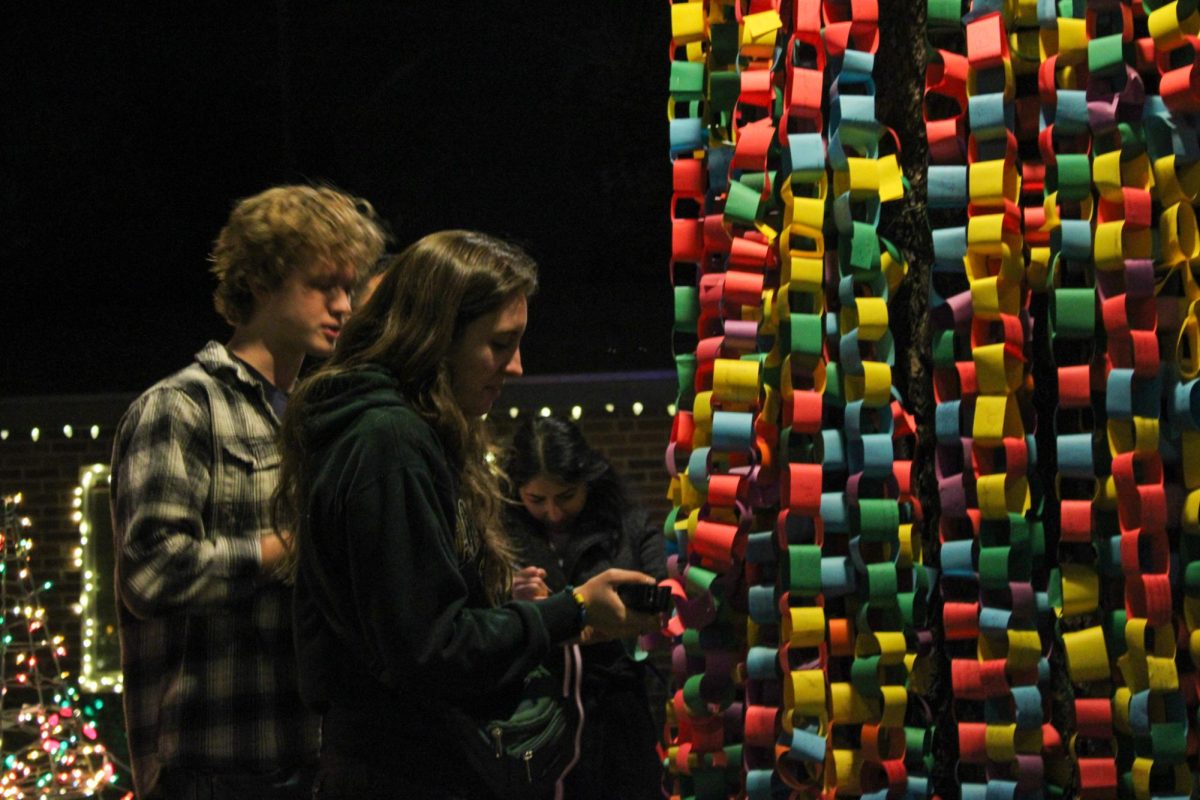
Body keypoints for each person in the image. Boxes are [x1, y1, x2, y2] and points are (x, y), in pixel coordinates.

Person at [273, 229, 661, 799]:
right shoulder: (390, 441)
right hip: (405, 774)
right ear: (438, 337)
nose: (518, 367)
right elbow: (432, 650)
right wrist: (570, 610)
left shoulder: (385, 432)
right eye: (500, 344)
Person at [110, 184, 387, 799]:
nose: (344, 305)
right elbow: (150, 574)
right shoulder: (181, 407)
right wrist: (287, 549)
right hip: (214, 766)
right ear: (263, 281)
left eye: (350, 287)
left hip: (308, 755)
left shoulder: (310, 417)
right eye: (324, 285)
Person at [502, 415, 667, 799]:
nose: (554, 513)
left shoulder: (626, 523)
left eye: (565, 496)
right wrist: (505, 591)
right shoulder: (496, 533)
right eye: (536, 500)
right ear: (515, 490)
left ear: (588, 481)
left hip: (618, 716)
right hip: (534, 718)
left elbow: (660, 597)